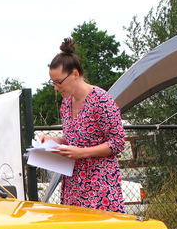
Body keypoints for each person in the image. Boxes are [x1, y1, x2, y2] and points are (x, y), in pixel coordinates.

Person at [39, 38, 126, 212]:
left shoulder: (101, 100)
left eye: (59, 82)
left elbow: (118, 142)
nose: (56, 88)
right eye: (53, 83)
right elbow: (76, 138)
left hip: (100, 185)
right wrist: (54, 140)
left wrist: (81, 153)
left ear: (75, 74)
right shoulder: (66, 104)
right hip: (74, 184)